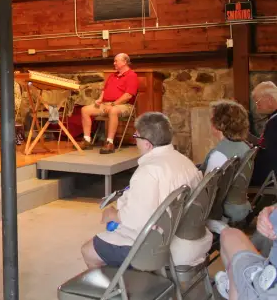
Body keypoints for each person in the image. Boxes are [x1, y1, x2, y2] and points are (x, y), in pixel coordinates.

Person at [81, 112, 211, 269]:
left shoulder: (148, 171)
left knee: (89, 250)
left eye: (136, 135)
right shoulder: (185, 161)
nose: (135, 140)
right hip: (194, 238)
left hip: (164, 249)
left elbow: (138, 221)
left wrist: (114, 214)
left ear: (147, 144)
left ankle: (118, 291)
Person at [202, 99, 252, 223]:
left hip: (224, 214)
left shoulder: (219, 155)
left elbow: (206, 193)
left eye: (212, 119)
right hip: (242, 207)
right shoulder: (244, 146)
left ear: (219, 124)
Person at [214, 205, 277, 299]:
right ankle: (234, 282)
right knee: (229, 234)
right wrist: (272, 209)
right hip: (269, 271)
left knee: (226, 233)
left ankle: (236, 289)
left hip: (267, 292)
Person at [81, 53, 138, 154]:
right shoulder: (112, 76)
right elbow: (104, 90)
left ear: (124, 62)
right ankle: (87, 140)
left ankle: (109, 142)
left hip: (125, 106)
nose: (114, 63)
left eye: (116, 61)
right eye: (114, 61)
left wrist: (113, 104)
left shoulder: (132, 75)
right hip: (107, 104)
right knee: (85, 110)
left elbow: (128, 96)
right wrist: (99, 99)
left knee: (113, 110)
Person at [251, 82, 277, 187]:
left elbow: (269, 157)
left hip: (270, 179)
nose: (256, 106)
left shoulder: (274, 122)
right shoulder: (273, 119)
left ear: (269, 99)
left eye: (257, 101)